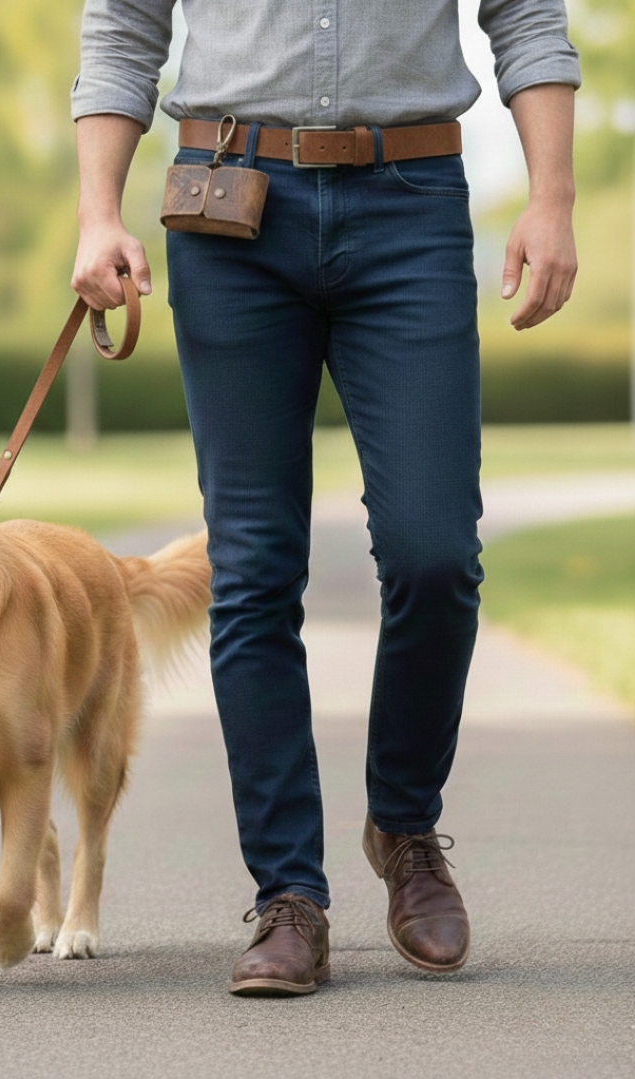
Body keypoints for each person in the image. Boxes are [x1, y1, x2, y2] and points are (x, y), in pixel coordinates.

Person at [70, 1, 580, 995]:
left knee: (436, 553)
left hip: (412, 198)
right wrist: (97, 212)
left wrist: (552, 197)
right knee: (255, 568)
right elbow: (124, 28)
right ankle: (288, 896)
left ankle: (404, 825)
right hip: (227, 206)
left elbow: (528, 17)